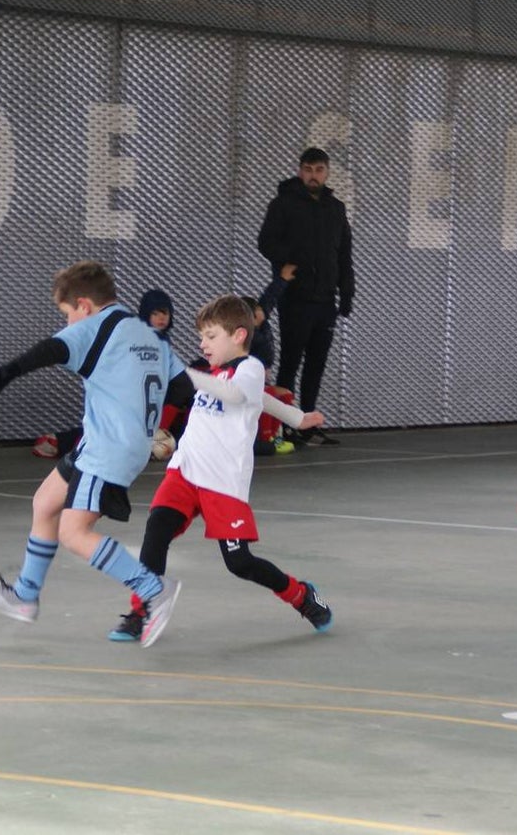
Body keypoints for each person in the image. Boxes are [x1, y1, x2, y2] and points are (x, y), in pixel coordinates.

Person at [0, 261, 185, 648]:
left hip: (109, 449)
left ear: (83, 305)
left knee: (74, 532)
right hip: (113, 442)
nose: (68, 323)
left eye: (67, 314)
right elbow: (183, 391)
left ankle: (152, 588)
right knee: (46, 503)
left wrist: (7, 372)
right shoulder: (148, 334)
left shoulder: (93, 326)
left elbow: (52, 349)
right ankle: (25, 596)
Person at [107, 294, 332, 643]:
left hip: (222, 483)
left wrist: (187, 373)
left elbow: (239, 395)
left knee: (240, 562)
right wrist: (298, 418)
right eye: (202, 337)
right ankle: (141, 610)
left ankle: (300, 595)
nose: (202, 343)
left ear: (238, 335)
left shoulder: (250, 369)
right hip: (185, 469)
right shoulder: (214, 372)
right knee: (156, 531)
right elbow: (263, 400)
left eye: (211, 336)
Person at [257, 147, 354, 447]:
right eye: (309, 169)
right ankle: (284, 425)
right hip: (295, 297)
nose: (314, 176)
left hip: (325, 299)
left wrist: (346, 291)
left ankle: (307, 423)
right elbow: (266, 242)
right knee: (290, 362)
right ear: (300, 171)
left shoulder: (335, 209)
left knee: (316, 363)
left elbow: (344, 254)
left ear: (327, 173)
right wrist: (291, 260)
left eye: (320, 170)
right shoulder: (283, 204)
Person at [31, 288, 179, 459]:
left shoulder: (163, 341)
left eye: (165, 313)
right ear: (146, 314)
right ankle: (67, 443)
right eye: (155, 313)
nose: (161, 318)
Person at [242, 263, 298, 456]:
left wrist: (282, 279)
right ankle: (265, 438)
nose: (261, 312)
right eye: (256, 312)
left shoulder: (262, 321)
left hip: (263, 381)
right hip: (250, 384)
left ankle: (277, 434)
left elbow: (269, 299)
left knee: (286, 395)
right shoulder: (246, 336)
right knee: (267, 399)